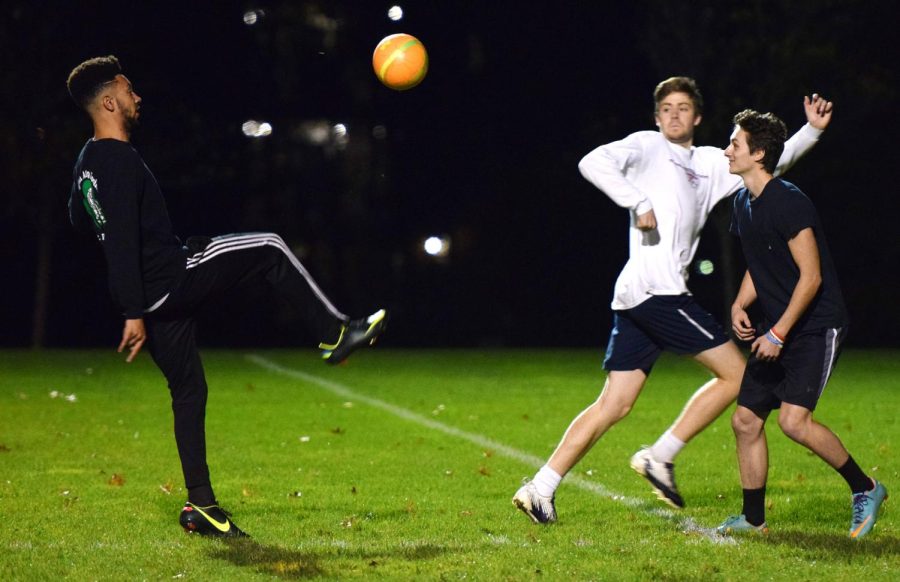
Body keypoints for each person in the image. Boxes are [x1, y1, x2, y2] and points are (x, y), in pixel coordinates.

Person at [66, 56, 387, 537]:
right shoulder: (120, 161)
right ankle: (335, 334)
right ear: (109, 101)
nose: (137, 97)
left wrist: (134, 289)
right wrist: (133, 311)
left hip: (153, 296)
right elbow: (124, 242)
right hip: (167, 282)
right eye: (129, 90)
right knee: (270, 247)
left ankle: (201, 507)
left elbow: (80, 217)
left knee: (189, 391)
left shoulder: (89, 161)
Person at [513, 76, 833, 524]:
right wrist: (635, 199)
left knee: (615, 403)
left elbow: (769, 164)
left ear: (697, 117)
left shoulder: (708, 162)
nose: (674, 115)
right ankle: (660, 456)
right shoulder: (646, 147)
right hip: (655, 292)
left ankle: (540, 488)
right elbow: (592, 162)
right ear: (657, 117)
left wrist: (812, 131)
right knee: (738, 375)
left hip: (638, 296)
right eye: (666, 108)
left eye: (684, 108)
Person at [716, 109, 886, 539]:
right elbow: (760, 261)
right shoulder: (742, 202)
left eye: (735, 144)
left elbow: (811, 277)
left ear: (758, 154)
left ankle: (865, 488)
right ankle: (754, 520)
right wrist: (740, 302)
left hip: (815, 326)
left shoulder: (789, 200)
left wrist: (778, 333)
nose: (727, 150)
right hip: (779, 324)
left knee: (793, 421)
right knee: (745, 421)